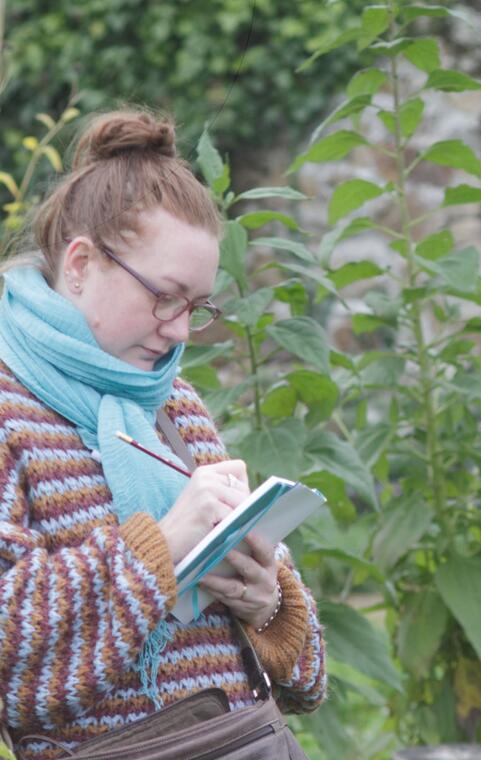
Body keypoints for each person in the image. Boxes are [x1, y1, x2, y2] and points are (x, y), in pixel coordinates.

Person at [0, 109, 326, 759]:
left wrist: (269, 605)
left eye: (197, 307)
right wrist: (164, 549)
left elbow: (310, 676)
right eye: (165, 297)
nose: (180, 331)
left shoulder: (173, 403)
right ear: (83, 263)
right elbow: (14, 678)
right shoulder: (11, 414)